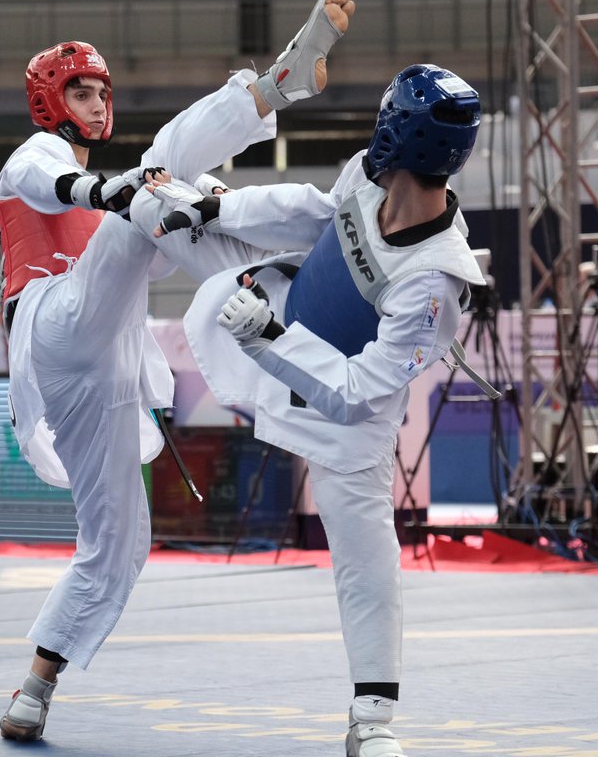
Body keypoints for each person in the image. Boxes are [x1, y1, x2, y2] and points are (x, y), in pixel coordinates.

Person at [0, 0, 356, 745]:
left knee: (119, 543)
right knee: (157, 180)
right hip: (53, 328)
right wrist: (118, 190)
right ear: (47, 100)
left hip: (103, 367)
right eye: (79, 91)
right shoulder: (39, 158)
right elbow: (41, 181)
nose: (95, 104)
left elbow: (158, 247)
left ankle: (34, 688)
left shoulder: (115, 207)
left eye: (101, 91)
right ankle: (276, 93)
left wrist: (204, 206)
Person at [140, 62, 485, 757]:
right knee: (162, 197)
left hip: (336, 418)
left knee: (365, 564)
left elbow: (358, 393)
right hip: (271, 306)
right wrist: (220, 209)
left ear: (398, 132)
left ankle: (374, 723)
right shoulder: (367, 173)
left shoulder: (433, 283)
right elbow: (314, 211)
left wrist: (267, 339)